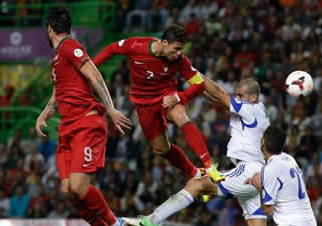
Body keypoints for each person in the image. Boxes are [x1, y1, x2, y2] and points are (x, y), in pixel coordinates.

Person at [131, 77, 294, 226]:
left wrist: (193, 73)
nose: (236, 98)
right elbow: (214, 95)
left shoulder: (250, 109)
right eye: (236, 94)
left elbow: (218, 91)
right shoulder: (248, 110)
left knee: (196, 185)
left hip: (247, 171)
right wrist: (194, 90)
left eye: (240, 95)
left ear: (252, 98)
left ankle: (154, 220)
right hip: (256, 176)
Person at [35, 7, 156, 226]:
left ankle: (114, 224)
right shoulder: (57, 60)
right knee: (68, 191)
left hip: (86, 122)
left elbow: (96, 75)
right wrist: (43, 115)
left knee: (80, 187)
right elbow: (59, 96)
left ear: (49, 29)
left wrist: (110, 108)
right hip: (67, 128)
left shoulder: (70, 47)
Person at [92, 24, 224, 184]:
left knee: (180, 115)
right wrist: (90, 69)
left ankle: (209, 166)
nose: (179, 53)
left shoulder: (180, 60)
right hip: (144, 104)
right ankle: (196, 173)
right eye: (176, 49)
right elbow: (110, 50)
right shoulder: (136, 45)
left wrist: (180, 97)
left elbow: (200, 84)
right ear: (164, 43)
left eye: (181, 49)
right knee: (161, 149)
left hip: (167, 96)